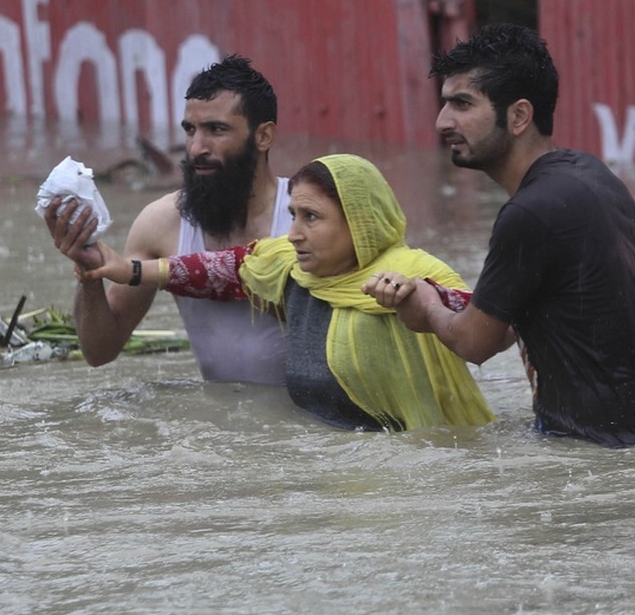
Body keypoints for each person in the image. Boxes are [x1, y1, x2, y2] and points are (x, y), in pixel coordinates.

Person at [363, 24, 635, 447]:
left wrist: (425, 304)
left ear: (518, 116)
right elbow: (511, 326)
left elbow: (474, 343)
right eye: (445, 104)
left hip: (590, 453)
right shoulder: (592, 175)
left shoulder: (530, 213)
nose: (443, 122)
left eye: (462, 104)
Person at [73, 154, 494, 431]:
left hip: (418, 472)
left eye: (312, 217)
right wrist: (125, 270)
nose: (293, 234)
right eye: (293, 215)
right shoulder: (287, 268)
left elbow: (491, 324)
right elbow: (215, 270)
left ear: (359, 222)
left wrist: (423, 301)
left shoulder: (415, 273)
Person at [45, 54, 289, 385]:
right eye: (190, 130)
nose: (196, 148)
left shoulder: (306, 215)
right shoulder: (162, 222)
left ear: (264, 137)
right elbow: (99, 352)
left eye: (216, 129)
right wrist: (90, 274)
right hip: (218, 427)